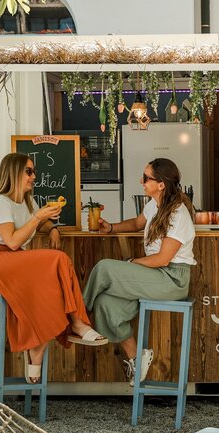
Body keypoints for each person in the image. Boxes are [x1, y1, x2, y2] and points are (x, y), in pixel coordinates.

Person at [0, 153, 107, 384]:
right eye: (28, 171)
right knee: (59, 260)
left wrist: (53, 229)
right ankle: (77, 323)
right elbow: (13, 242)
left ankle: (36, 352)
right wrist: (38, 218)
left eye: (33, 171)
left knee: (50, 288)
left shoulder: (28, 202)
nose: (33, 176)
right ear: (14, 173)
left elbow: (42, 222)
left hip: (17, 263)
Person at [83, 158, 195, 385]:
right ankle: (137, 357)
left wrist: (132, 262)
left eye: (146, 178)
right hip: (155, 275)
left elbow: (163, 260)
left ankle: (78, 318)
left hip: (172, 279)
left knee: (105, 267)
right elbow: (136, 223)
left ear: (161, 184)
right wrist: (111, 228)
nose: (141, 181)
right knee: (106, 303)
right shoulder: (154, 204)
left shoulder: (178, 213)